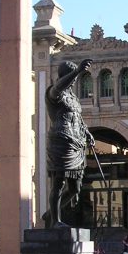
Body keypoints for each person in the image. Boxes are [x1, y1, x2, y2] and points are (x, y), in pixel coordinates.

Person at [44, 58, 95, 228]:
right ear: (65, 76)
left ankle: (50, 213)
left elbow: (78, 119)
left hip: (77, 143)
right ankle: (55, 220)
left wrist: (87, 133)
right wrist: (78, 71)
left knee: (75, 188)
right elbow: (59, 87)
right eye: (72, 77)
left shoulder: (73, 98)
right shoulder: (54, 92)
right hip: (61, 140)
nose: (74, 80)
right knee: (58, 183)